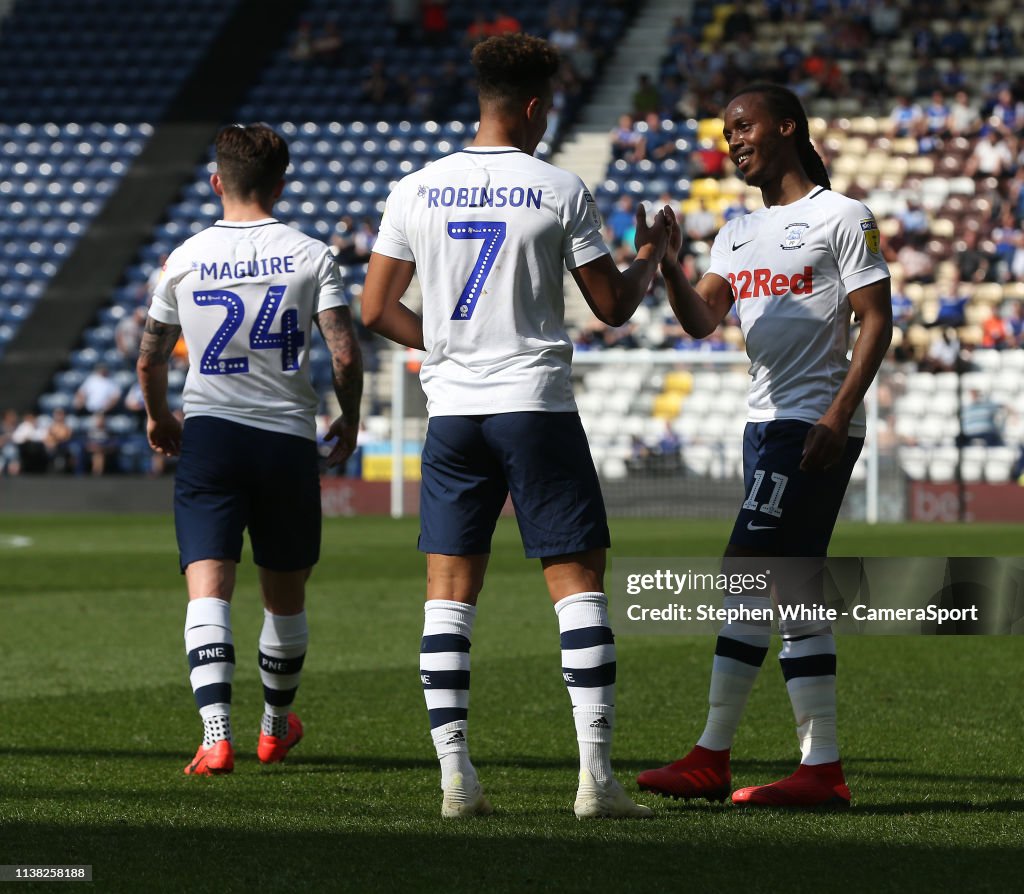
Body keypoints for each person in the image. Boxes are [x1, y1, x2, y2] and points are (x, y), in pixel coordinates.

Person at [360, 33, 667, 819]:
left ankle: (456, 779)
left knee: (448, 594)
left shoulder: (415, 188)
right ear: (535, 104)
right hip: (534, 405)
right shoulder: (559, 187)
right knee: (576, 585)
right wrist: (654, 255)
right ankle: (596, 780)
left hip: (454, 412)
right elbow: (612, 306)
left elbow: (374, 309)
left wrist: (452, 348)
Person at [637, 82, 892, 808]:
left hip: (810, 423)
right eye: (727, 133)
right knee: (796, 586)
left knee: (744, 566)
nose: (734, 141)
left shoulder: (842, 217)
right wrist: (667, 264)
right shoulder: (739, 232)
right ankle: (822, 768)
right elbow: (701, 319)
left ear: (786, 126)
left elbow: (876, 320)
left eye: (744, 127)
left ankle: (711, 754)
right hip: (763, 424)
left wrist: (837, 415)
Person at [136, 124, 363, 777]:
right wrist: (345, 420)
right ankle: (271, 728)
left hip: (210, 433)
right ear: (281, 185)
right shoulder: (311, 254)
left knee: (207, 588)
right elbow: (344, 355)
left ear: (216, 182)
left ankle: (215, 737)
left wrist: (159, 417)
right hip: (286, 436)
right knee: (284, 596)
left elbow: (150, 359)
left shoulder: (183, 257)